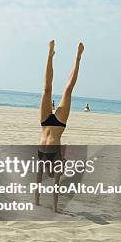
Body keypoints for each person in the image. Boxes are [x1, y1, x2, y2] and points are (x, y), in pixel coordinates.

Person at [36, 39, 84, 212]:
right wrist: (55, 209)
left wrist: (37, 203)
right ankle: (78, 58)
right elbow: (55, 188)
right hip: (58, 124)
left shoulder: (41, 161)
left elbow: (37, 185)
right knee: (67, 90)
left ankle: (50, 54)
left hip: (45, 123)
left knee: (46, 90)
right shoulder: (57, 163)